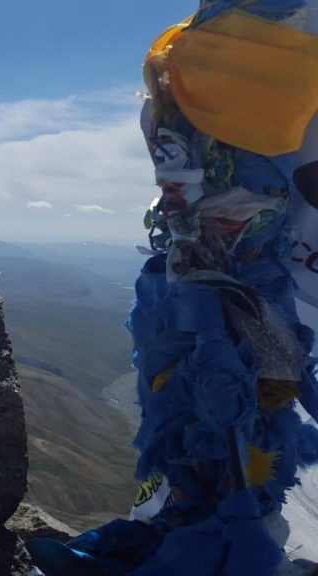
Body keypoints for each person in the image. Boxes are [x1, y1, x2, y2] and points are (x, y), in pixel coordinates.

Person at [28, 2, 318, 574]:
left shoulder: (199, 54)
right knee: (236, 421)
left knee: (200, 423)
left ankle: (190, 518)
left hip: (212, 282)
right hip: (244, 281)